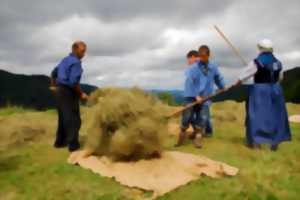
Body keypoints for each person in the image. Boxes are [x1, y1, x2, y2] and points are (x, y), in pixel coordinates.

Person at [238, 39, 291, 151]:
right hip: (276, 89)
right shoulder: (278, 62)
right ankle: (275, 142)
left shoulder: (256, 62)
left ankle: (256, 143)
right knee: (276, 116)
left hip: (260, 90)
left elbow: (244, 75)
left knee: (257, 115)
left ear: (260, 48)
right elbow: (280, 77)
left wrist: (238, 81)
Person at [176, 46, 225, 148]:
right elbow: (190, 81)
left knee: (202, 118)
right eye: (201, 57)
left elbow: (218, 78)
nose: (202, 59)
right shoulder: (193, 68)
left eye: (204, 57)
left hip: (206, 96)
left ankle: (198, 139)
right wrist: (196, 95)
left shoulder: (213, 67)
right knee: (187, 117)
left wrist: (222, 86)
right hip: (191, 95)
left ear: (208, 55)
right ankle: (181, 137)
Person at [50, 41, 89, 152]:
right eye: (82, 51)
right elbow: (73, 82)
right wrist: (81, 94)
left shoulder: (64, 60)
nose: (84, 54)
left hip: (59, 91)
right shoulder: (76, 62)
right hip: (68, 92)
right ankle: (73, 147)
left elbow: (53, 73)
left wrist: (53, 86)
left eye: (85, 51)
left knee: (63, 118)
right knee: (74, 120)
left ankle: (59, 143)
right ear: (75, 49)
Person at [186, 50, 214, 138]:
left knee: (203, 115)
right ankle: (201, 131)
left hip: (203, 95)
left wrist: (197, 95)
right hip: (197, 96)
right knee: (200, 115)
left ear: (193, 57)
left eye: (188, 59)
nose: (188, 62)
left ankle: (206, 132)